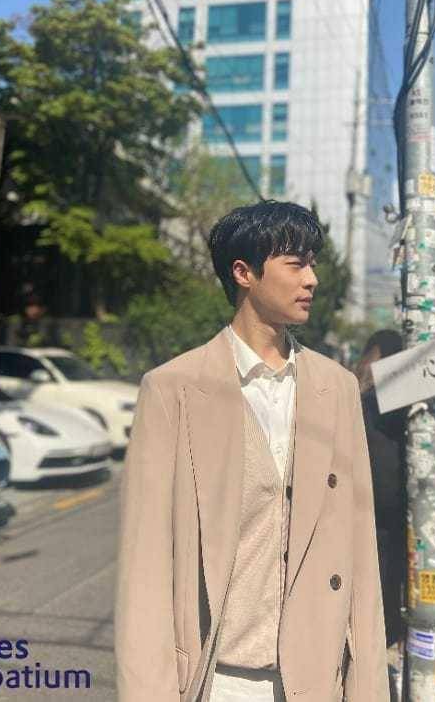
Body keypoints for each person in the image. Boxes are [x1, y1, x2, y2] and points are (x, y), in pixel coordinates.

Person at [115, 200, 390, 702]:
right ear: (244, 273)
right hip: (217, 680)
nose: (312, 279)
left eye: (312, 264)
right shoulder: (173, 389)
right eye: (296, 264)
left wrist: (368, 688)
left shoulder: (337, 388)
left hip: (319, 678)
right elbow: (145, 567)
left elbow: (360, 552)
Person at [353, 330, 408, 648]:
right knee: (392, 569)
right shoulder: (396, 395)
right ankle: (389, 631)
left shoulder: (359, 393)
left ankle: (381, 631)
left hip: (369, 500)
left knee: (377, 568)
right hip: (392, 501)